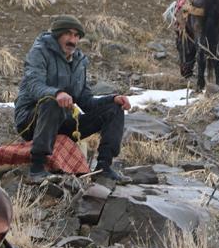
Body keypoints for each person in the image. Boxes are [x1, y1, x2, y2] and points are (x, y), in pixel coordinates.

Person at [14, 15, 132, 183]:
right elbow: (33, 85)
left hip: (63, 122)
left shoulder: (79, 61)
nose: (73, 40)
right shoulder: (39, 52)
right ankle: (37, 168)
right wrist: (56, 93)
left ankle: (103, 167)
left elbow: (85, 100)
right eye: (68, 34)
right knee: (52, 102)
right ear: (57, 35)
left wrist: (113, 99)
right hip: (31, 121)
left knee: (114, 109)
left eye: (77, 36)